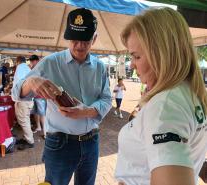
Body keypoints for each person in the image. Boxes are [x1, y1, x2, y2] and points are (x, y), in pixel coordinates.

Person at [12, 8, 112, 185]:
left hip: (92, 141)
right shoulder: (51, 63)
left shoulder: (100, 67)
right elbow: (16, 93)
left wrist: (88, 111)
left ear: (94, 39)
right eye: (74, 40)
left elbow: (106, 99)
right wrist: (31, 82)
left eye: (85, 40)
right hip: (60, 143)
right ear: (67, 37)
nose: (79, 45)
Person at [115, 7, 207, 185]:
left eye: (136, 56)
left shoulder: (166, 105)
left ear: (161, 54)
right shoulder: (188, 92)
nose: (132, 65)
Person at [12, 56, 34, 150]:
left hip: (23, 100)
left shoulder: (20, 67)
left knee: (24, 121)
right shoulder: (27, 68)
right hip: (27, 100)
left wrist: (17, 98)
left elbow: (20, 84)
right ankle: (27, 138)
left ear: (17, 61)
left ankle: (30, 141)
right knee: (26, 120)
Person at [29, 55, 47, 138]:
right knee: (35, 112)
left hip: (41, 96)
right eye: (31, 62)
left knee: (42, 113)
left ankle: (45, 132)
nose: (31, 63)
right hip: (34, 95)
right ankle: (38, 127)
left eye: (32, 62)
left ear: (36, 61)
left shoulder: (42, 69)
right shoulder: (33, 69)